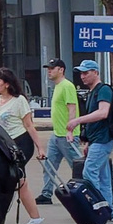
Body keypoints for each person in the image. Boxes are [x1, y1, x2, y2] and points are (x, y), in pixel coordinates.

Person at [0, 68, 46, 224]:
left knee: (18, 180)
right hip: (5, 145)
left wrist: (40, 148)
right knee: (13, 181)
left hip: (21, 144)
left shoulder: (19, 100)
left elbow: (29, 125)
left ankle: (35, 219)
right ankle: (32, 218)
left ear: (7, 84)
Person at [75, 63, 113, 207]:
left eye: (86, 73)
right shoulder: (93, 92)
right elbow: (94, 123)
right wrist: (88, 142)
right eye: (81, 73)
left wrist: (77, 121)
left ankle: (97, 207)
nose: (82, 76)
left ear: (96, 72)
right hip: (98, 140)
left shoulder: (103, 90)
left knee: (90, 173)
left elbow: (102, 113)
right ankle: (109, 211)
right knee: (104, 178)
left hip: (102, 140)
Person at [40, 59, 82, 199]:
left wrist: (70, 129)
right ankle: (46, 194)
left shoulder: (67, 86)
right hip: (57, 134)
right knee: (49, 165)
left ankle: (85, 191)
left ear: (61, 70)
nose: (49, 71)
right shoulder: (57, 86)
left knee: (77, 167)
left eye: (52, 68)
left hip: (67, 135)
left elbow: (72, 108)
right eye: (48, 69)